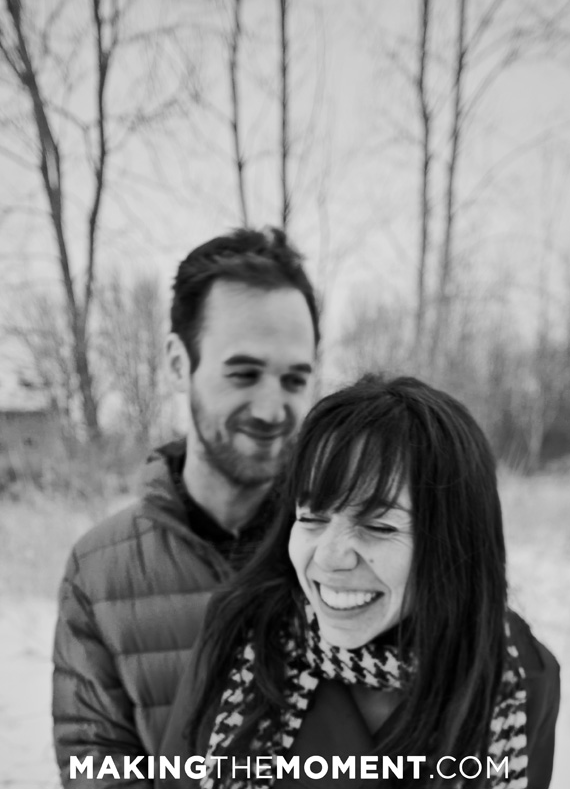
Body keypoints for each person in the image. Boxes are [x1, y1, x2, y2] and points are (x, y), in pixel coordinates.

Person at [160, 375, 560, 789]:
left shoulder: (518, 678)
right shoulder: (244, 639)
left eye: (378, 526)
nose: (330, 556)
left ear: (455, 543)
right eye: (312, 518)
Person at [52, 227, 320, 787]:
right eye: (243, 373)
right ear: (178, 363)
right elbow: (94, 765)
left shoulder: (349, 554)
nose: (273, 409)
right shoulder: (99, 572)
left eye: (295, 379)